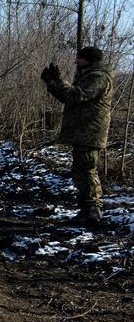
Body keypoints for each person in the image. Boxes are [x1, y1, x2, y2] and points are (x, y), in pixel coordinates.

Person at [41, 46, 115, 226]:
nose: (76, 61)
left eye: (80, 58)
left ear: (89, 60)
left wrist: (58, 81)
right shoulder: (88, 75)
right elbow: (68, 97)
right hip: (84, 131)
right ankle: (87, 210)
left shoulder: (98, 77)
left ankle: (93, 210)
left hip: (90, 132)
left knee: (87, 170)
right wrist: (53, 84)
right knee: (80, 171)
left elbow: (76, 95)